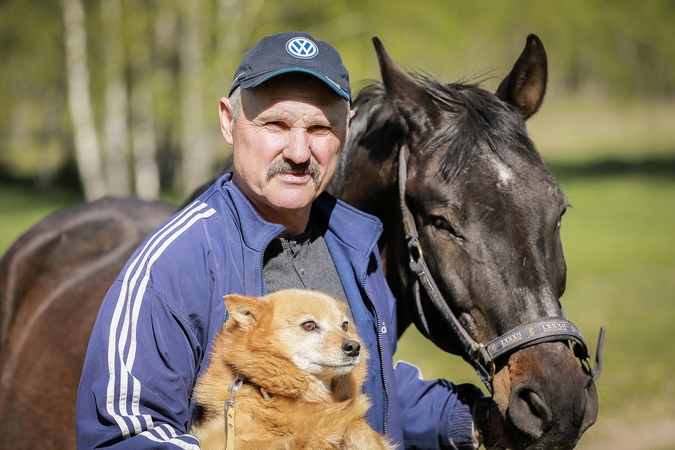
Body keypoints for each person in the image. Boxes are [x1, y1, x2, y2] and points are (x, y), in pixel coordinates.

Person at [76, 31, 490, 449]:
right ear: (228, 121)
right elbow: (121, 436)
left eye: (319, 127)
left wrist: (470, 421)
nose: (297, 151)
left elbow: (367, 382)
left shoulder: (355, 243)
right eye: (275, 123)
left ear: (344, 133)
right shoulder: (175, 264)